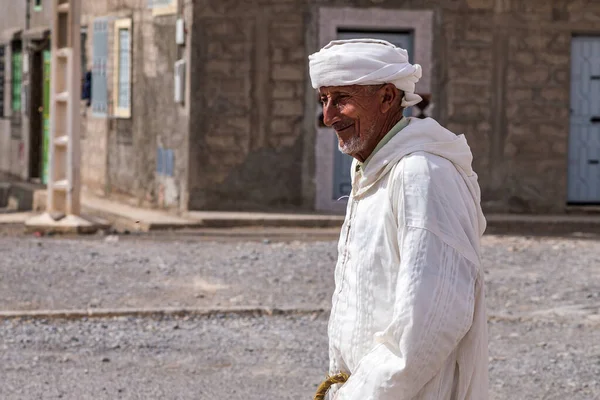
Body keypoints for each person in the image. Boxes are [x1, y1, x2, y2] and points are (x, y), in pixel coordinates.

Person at [308, 39, 488, 399]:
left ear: (388, 98)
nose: (328, 117)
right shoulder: (375, 169)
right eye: (323, 100)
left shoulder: (421, 173)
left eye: (341, 98)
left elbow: (430, 321)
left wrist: (360, 395)